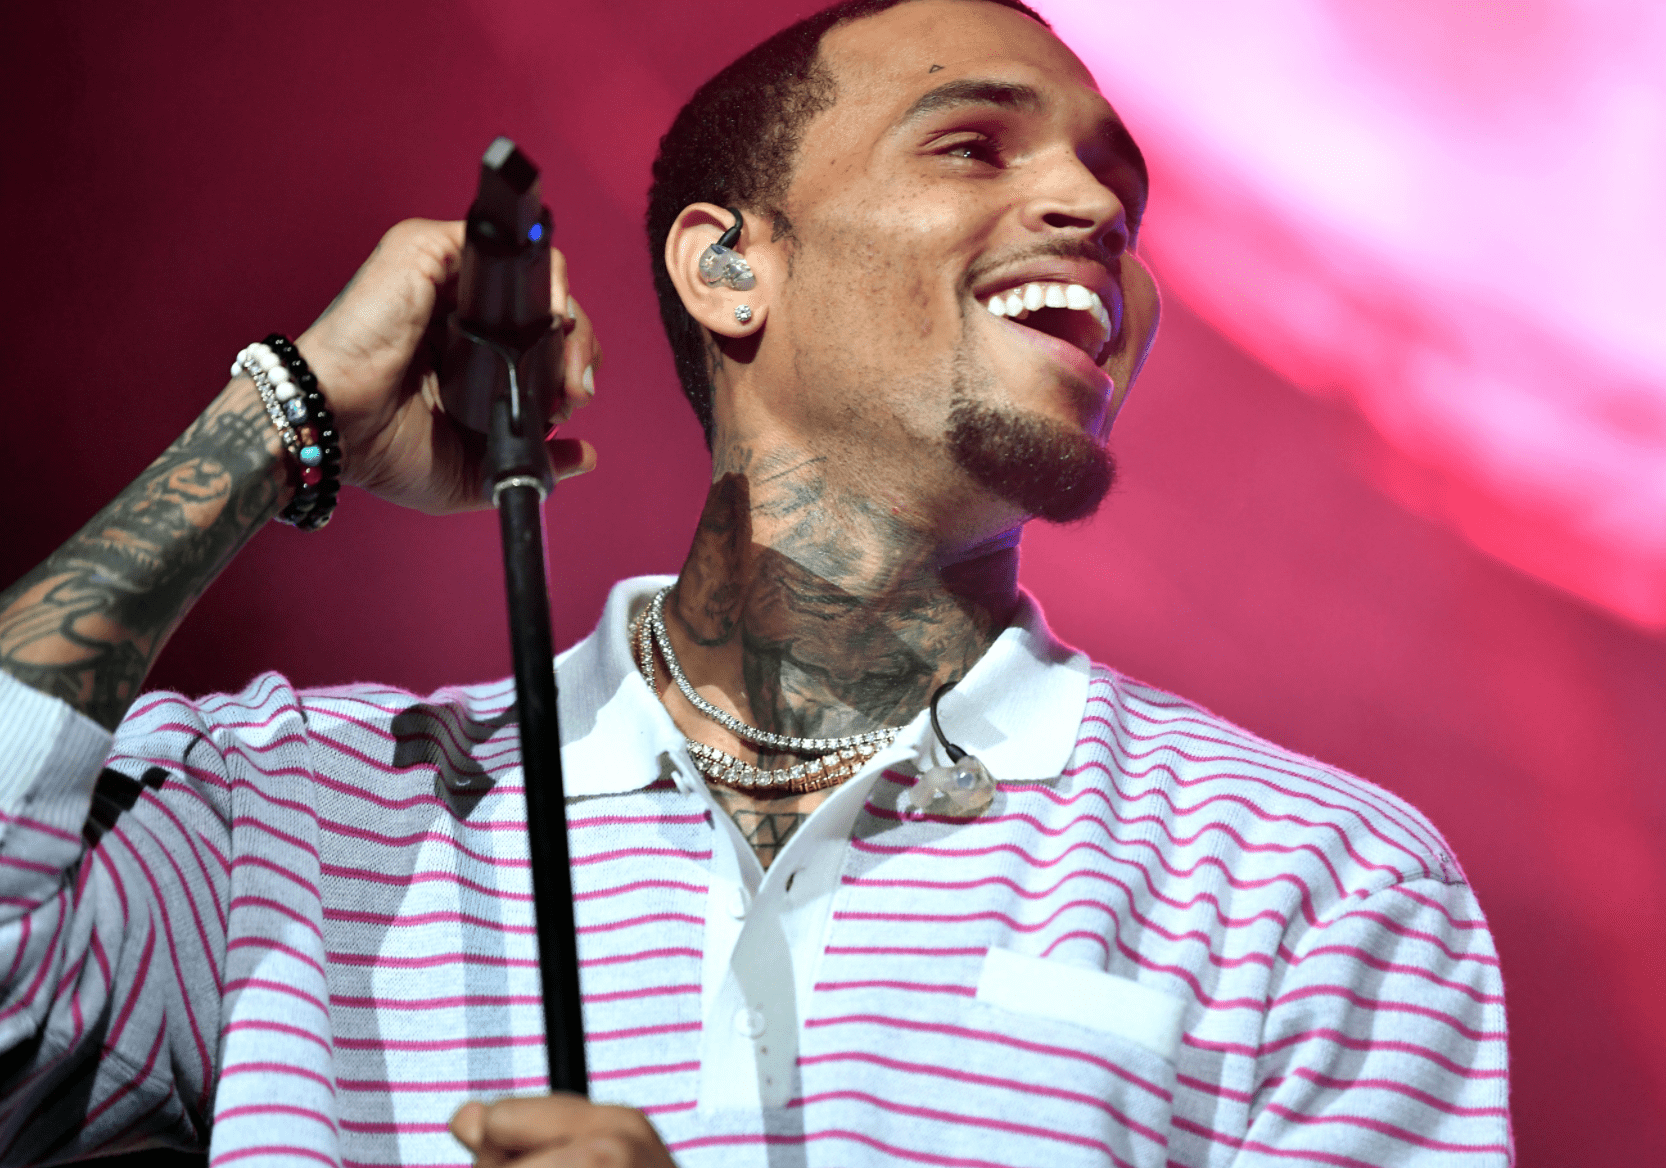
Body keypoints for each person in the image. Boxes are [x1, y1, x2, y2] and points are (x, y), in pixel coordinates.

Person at [0, 0, 1511, 1164]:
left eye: (1119, 184)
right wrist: (282, 416)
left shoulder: (1302, 883)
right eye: (973, 143)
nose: (1097, 211)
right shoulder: (312, 808)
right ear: (731, 268)